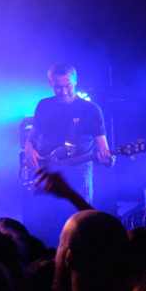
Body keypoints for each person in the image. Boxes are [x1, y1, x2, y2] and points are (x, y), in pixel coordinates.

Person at [23, 62, 112, 245]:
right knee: (41, 225)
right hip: (47, 170)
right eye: (58, 87)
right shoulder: (44, 105)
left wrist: (107, 159)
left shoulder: (90, 109)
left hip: (78, 172)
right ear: (50, 84)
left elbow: (102, 147)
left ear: (75, 82)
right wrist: (29, 152)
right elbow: (32, 137)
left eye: (68, 86)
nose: (63, 91)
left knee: (77, 224)